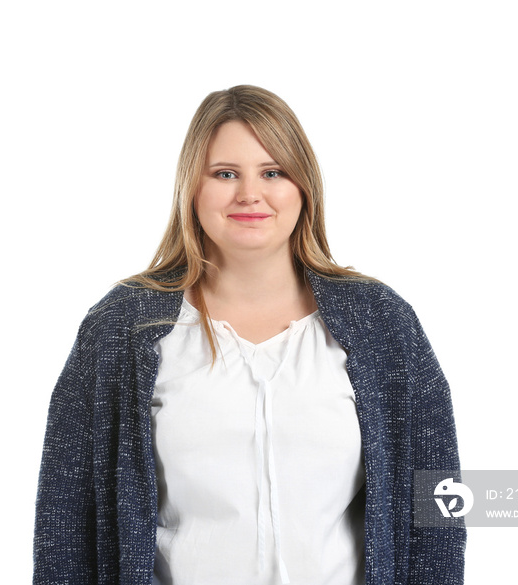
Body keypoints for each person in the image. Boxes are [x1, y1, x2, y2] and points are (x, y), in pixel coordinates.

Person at [33, 85, 466, 585]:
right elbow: (66, 514)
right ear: (192, 187)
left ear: (302, 186)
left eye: (273, 172)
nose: (249, 194)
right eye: (225, 174)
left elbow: (437, 498)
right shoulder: (122, 328)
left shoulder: (383, 323)